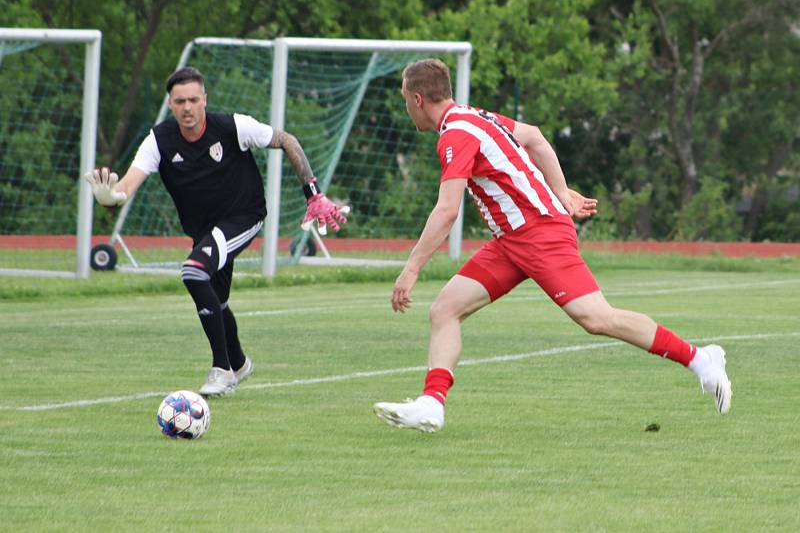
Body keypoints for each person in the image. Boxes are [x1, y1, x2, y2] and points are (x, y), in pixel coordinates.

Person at [373, 58, 731, 432]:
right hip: (512, 240)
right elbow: (535, 136)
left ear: (417, 99)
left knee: (597, 318)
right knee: (445, 309)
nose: (406, 109)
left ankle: (701, 360)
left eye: (404, 101)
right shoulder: (476, 117)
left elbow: (447, 211)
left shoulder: (455, 135)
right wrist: (561, 194)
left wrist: (410, 269)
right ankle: (432, 405)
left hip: (539, 234)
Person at [86, 66, 347, 397]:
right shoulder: (159, 140)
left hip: (244, 215)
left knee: (193, 273)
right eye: (180, 101)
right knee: (217, 299)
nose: (187, 107)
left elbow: (287, 140)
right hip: (205, 231)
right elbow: (125, 187)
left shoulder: (233, 126)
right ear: (170, 104)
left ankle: (222, 370)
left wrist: (314, 194)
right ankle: (238, 362)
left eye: (193, 99)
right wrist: (111, 198)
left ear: (204, 100)